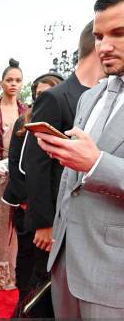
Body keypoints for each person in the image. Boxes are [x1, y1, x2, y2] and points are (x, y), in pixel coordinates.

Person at [15, 0, 124, 321]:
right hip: (68, 245)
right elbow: (69, 176)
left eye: (119, 33)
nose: (105, 46)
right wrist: (54, 230)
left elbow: (94, 166)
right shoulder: (92, 95)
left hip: (113, 256)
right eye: (100, 35)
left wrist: (96, 162)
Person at [21, 21, 102, 287]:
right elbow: (36, 163)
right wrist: (44, 222)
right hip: (52, 224)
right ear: (97, 44)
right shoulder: (56, 97)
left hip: (84, 227)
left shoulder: (101, 98)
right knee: (39, 299)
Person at [3, 73, 64, 307]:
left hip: (56, 209)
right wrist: (27, 201)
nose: (43, 100)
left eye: (48, 95)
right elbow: (17, 166)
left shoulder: (67, 120)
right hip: (28, 206)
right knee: (28, 259)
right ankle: (24, 309)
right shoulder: (23, 121)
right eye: (39, 95)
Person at [0, 58, 26, 290]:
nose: (13, 84)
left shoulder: (26, 111)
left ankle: (10, 271)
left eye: (18, 80)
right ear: (1, 83)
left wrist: (14, 162)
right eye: (9, 80)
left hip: (17, 174)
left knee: (15, 226)